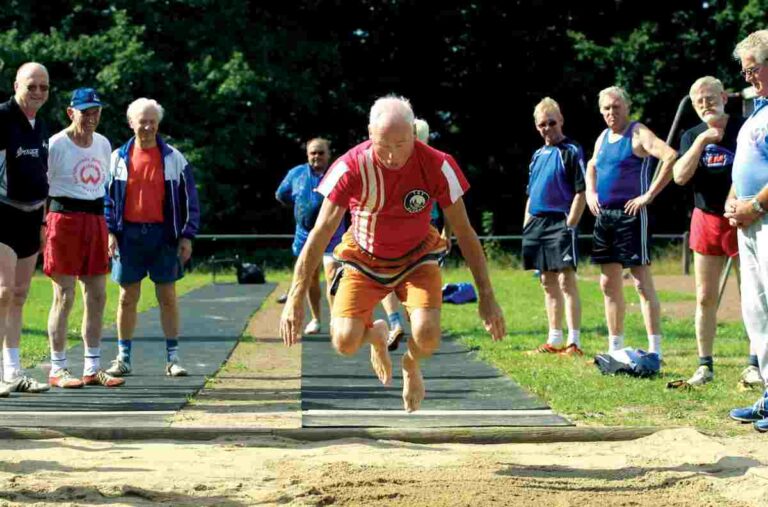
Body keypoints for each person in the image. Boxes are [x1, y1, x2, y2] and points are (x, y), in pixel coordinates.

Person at [280, 95, 506, 413]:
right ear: (370, 135)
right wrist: (294, 297)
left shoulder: (439, 165)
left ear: (414, 134)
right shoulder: (349, 166)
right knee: (344, 341)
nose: (393, 156)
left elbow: (466, 232)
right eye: (384, 145)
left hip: (417, 256)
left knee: (428, 335)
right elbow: (319, 234)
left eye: (401, 144)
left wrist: (486, 294)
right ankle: (377, 337)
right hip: (363, 257)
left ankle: (410, 364)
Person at [673, 76, 760, 388]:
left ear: (724, 96)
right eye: (698, 101)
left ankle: (754, 364)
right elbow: (680, 176)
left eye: (710, 98)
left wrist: (738, 198)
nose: (705, 104)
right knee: (705, 296)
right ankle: (704, 365)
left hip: (742, 216)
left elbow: (757, 166)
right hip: (706, 218)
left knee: (751, 294)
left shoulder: (745, 126)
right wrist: (701, 142)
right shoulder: (691, 135)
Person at [104, 98, 200, 377]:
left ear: (158, 124)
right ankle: (123, 358)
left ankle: (173, 358)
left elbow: (190, 200)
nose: (147, 127)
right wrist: (110, 231)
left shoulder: (174, 158)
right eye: (141, 121)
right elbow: (107, 200)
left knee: (167, 296)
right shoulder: (117, 158)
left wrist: (187, 235)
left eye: (152, 122)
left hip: (164, 236)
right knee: (126, 298)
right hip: (128, 236)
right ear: (131, 123)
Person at [585, 86, 677, 358]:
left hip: (632, 215)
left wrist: (648, 195)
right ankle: (615, 347)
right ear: (601, 112)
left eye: (616, 107)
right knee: (607, 283)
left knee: (640, 282)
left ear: (627, 107)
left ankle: (655, 350)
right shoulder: (603, 137)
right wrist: (590, 192)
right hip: (605, 217)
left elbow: (670, 156)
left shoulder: (638, 133)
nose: (611, 113)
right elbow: (591, 165)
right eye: (606, 108)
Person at [45, 88, 124, 388]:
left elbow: (102, 189)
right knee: (64, 296)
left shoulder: (103, 144)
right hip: (63, 219)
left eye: (96, 111)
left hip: (95, 220)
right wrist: (42, 228)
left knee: (98, 295)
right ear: (71, 112)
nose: (91, 117)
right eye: (85, 111)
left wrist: (108, 230)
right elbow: (43, 189)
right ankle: (58, 368)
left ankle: (92, 367)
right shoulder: (55, 145)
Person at [0, 62, 54, 395]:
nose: (37, 92)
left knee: (19, 295)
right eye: (31, 86)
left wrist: (45, 220)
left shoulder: (42, 125)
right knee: (3, 293)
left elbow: (44, 175)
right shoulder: (2, 116)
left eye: (43, 87)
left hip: (32, 216)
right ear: (16, 85)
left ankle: (14, 370)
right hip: (2, 212)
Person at [725, 29, 768, 432]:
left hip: (765, 218)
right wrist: (733, 199)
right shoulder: (757, 111)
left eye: (753, 69)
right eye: (745, 71)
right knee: (756, 310)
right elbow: (745, 164)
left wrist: (755, 205)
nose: (747, 77)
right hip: (749, 220)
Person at [382, 117, 453, 351]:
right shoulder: (436, 162)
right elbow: (451, 204)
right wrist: (447, 232)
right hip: (428, 226)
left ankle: (396, 322)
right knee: (419, 279)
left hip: (399, 226)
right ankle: (417, 324)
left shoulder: (392, 159)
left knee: (388, 278)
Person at [523, 98, 586, 356]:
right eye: (542, 124)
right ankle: (553, 339)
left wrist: (570, 224)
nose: (547, 128)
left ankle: (574, 342)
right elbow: (530, 193)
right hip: (536, 222)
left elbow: (582, 191)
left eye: (551, 122)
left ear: (560, 120)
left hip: (560, 220)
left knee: (565, 280)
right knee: (547, 282)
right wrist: (526, 223)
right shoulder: (537, 155)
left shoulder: (571, 150)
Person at [276, 138, 345, 334]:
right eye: (313, 153)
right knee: (309, 277)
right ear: (307, 155)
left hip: (333, 233)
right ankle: (316, 319)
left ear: (328, 154)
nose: (317, 156)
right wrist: (301, 207)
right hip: (304, 234)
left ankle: (335, 320)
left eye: (321, 153)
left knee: (333, 273)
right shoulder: (296, 173)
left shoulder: (337, 173)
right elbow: (281, 194)